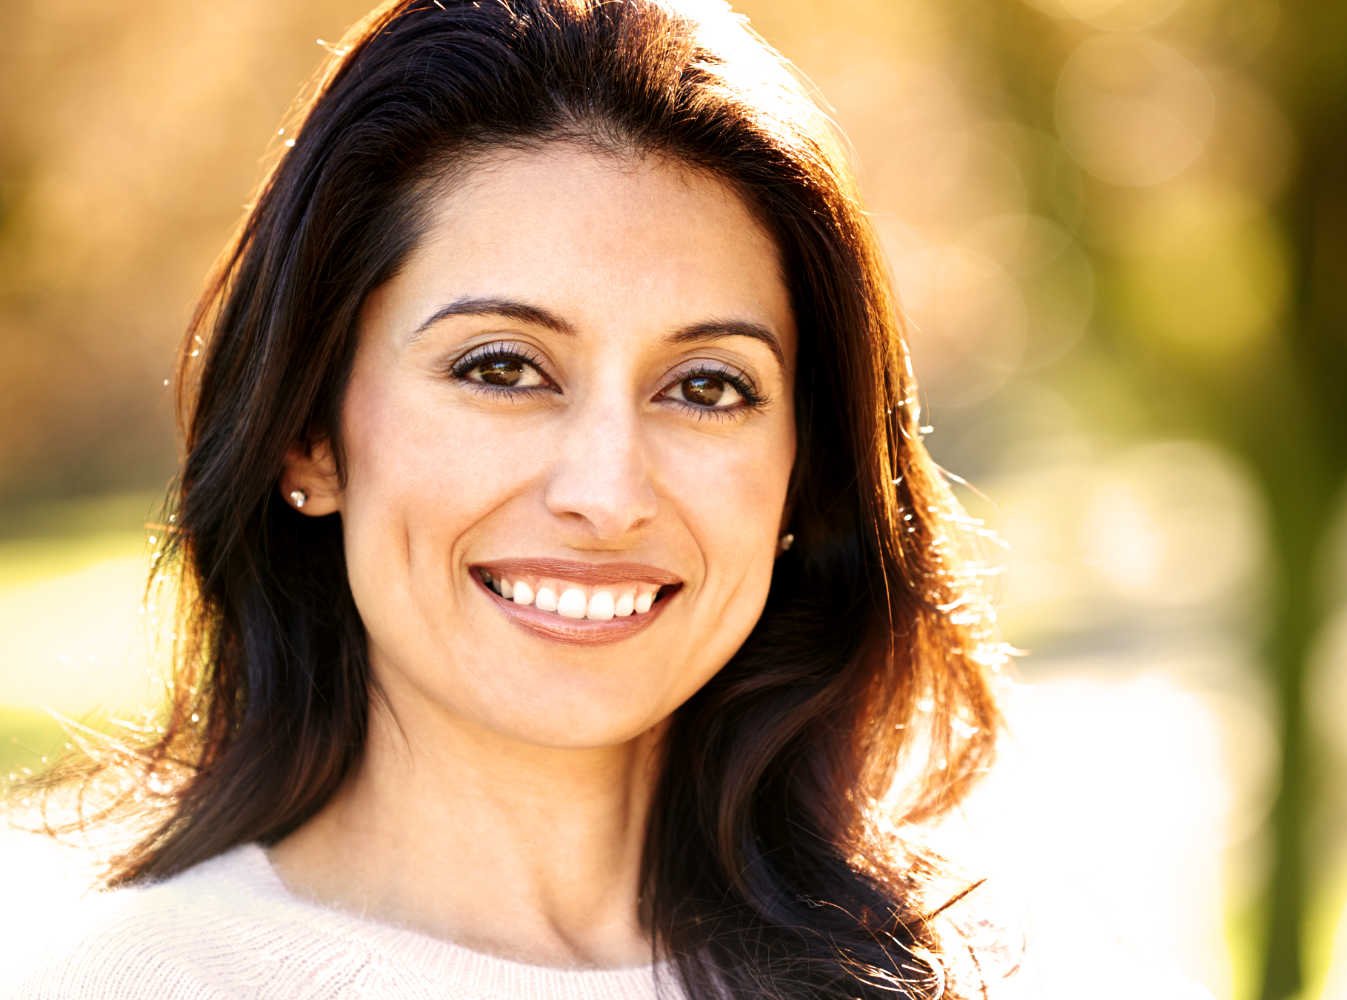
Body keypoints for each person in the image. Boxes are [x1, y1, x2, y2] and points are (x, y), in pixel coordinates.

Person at [9, 0, 1008, 996]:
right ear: (309, 438)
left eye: (707, 386)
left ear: (804, 470)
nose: (608, 494)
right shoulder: (137, 980)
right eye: (501, 368)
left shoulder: (936, 968)